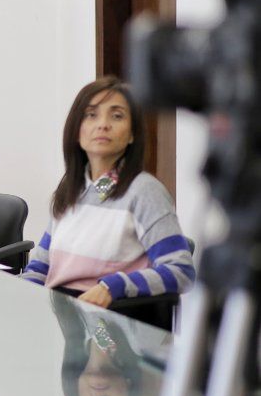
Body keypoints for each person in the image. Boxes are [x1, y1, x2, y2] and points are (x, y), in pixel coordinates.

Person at [20, 76, 194, 308]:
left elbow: (181, 271)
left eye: (117, 115)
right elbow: (41, 267)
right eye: (91, 115)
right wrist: (19, 296)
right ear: (76, 131)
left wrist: (112, 287)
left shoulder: (143, 191)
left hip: (106, 326)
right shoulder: (72, 189)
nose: (103, 124)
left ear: (132, 134)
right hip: (60, 316)